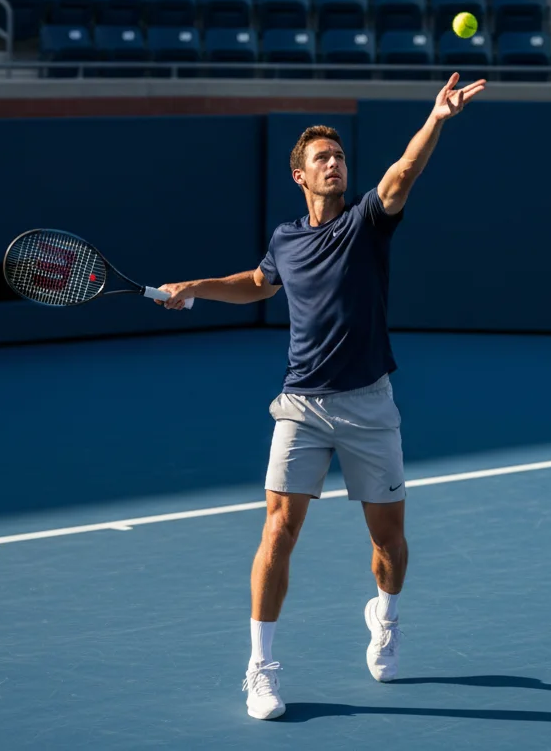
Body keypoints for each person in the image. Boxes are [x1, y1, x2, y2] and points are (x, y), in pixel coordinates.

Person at [155, 73, 487, 720]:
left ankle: (385, 617)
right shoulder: (286, 240)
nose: (335, 163)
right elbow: (257, 283)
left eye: (338, 156)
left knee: (389, 544)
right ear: (300, 176)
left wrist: (436, 119)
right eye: (322, 158)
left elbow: (402, 174)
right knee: (278, 528)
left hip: (369, 404)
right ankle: (260, 669)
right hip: (302, 405)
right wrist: (194, 286)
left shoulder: (367, 222)